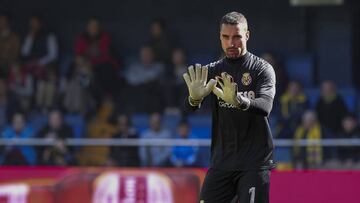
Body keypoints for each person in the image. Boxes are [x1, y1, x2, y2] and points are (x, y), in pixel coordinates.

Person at [182, 12, 276, 203]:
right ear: (220, 37)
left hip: (254, 163)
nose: (231, 43)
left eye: (237, 37)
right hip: (222, 163)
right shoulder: (213, 70)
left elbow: (266, 106)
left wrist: (240, 101)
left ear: (247, 35)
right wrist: (193, 99)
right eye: (226, 37)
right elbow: (187, 109)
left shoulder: (262, 69)